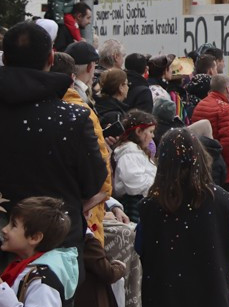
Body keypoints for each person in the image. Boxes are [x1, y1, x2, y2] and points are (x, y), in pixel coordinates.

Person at [137, 128, 229, 307]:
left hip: (167, 294)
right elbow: (227, 245)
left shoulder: (152, 205)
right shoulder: (222, 200)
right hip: (210, 291)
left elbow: (142, 248)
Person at [0, 23, 107, 254]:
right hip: (56, 248)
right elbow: (93, 183)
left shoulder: (73, 117)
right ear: (51, 57)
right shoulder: (74, 118)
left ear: (5, 59)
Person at [0, 197, 76, 307]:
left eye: (13, 225)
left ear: (34, 237)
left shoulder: (43, 278)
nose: (4, 229)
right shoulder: (23, 268)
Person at [56, 44, 113, 247]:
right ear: (90, 67)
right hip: (82, 208)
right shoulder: (80, 106)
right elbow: (100, 164)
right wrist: (101, 196)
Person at [192, 75, 229, 271]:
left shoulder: (202, 104)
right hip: (222, 167)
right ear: (227, 89)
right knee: (225, 215)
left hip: (203, 163)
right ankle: (227, 263)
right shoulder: (224, 108)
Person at [112, 110, 158, 223]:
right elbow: (134, 184)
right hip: (134, 203)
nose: (153, 135)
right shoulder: (129, 153)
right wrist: (155, 184)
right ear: (138, 131)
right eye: (150, 131)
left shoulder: (137, 152)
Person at [96, 67, 131, 145]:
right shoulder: (115, 115)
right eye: (127, 84)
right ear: (121, 87)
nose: (128, 87)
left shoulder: (99, 105)